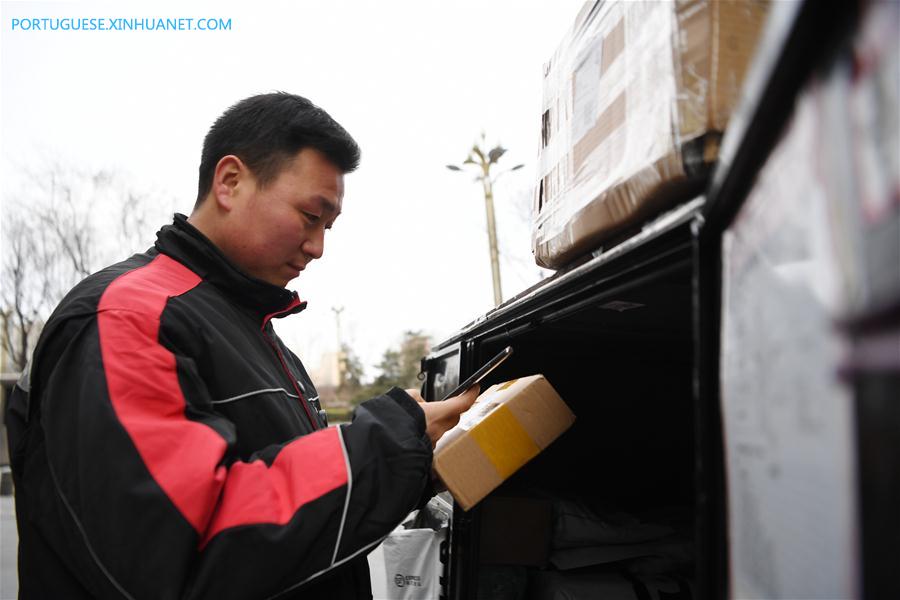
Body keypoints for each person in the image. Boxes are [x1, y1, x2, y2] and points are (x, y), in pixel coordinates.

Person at [5, 92, 478, 600]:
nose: (318, 247)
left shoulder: (255, 334)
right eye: (309, 216)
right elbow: (184, 555)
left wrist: (417, 461)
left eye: (328, 227)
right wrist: (390, 442)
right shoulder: (127, 317)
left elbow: (288, 494)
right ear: (230, 182)